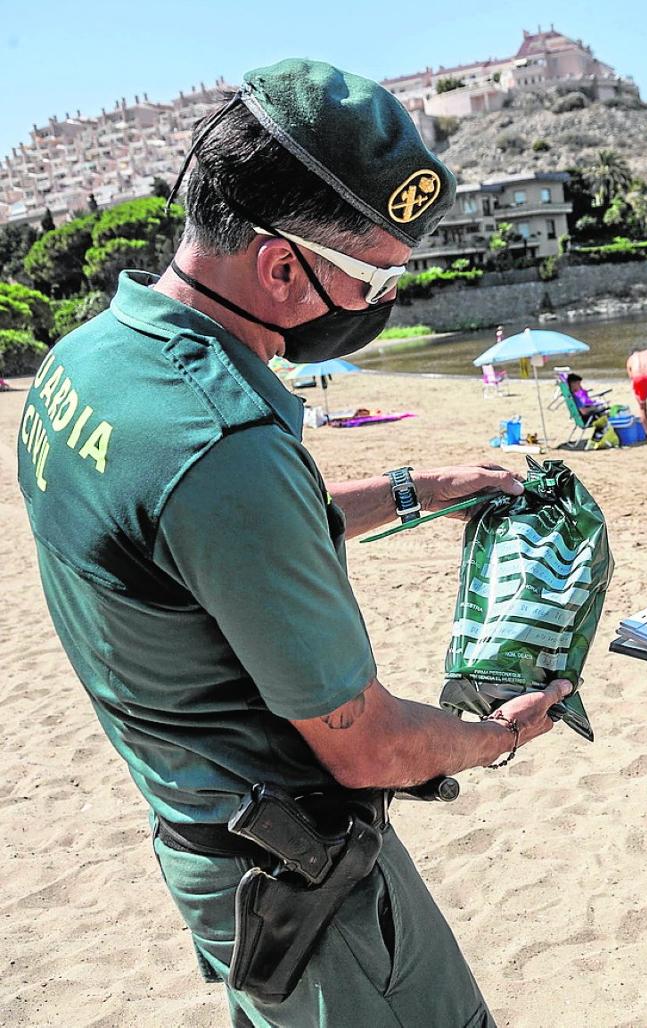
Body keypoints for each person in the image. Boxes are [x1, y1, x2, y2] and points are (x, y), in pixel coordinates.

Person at [16, 59, 574, 1028]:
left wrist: (423, 487)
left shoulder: (93, 356)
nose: (377, 301)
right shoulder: (222, 443)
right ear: (280, 266)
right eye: (371, 276)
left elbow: (189, 550)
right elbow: (368, 743)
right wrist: (499, 736)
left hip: (207, 843)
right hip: (300, 869)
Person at [565, 371, 610, 445]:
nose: (580, 386)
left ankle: (598, 436)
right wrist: (594, 408)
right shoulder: (575, 398)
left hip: (581, 417)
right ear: (573, 384)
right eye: (578, 384)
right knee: (605, 414)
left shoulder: (571, 396)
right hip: (586, 419)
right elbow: (584, 412)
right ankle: (599, 437)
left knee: (601, 409)